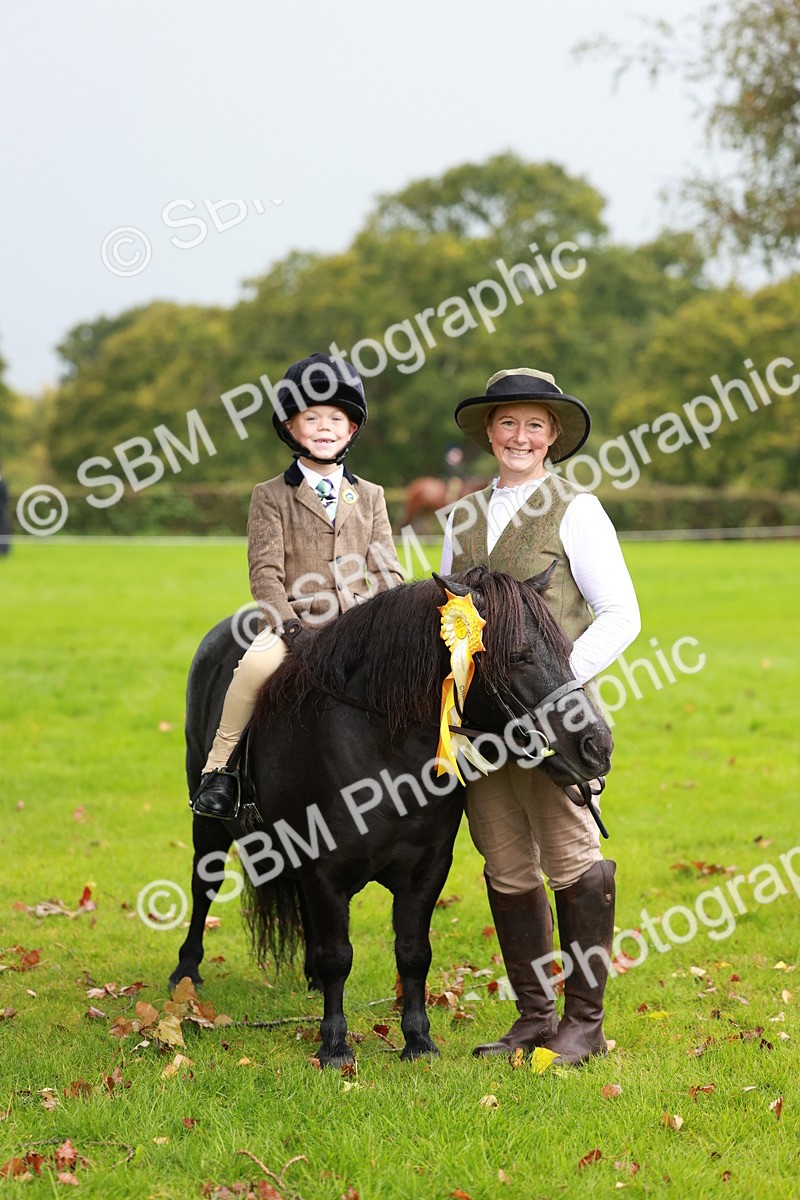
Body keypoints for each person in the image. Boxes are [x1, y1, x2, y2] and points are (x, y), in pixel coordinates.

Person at [440, 368, 641, 1065]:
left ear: (552, 436)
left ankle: (585, 1024)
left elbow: (622, 615)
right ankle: (533, 1017)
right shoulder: (461, 517)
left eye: (534, 424)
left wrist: (562, 686)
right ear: (489, 433)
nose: (519, 436)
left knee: (572, 861)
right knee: (505, 865)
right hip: (481, 728)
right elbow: (446, 622)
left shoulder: (576, 509)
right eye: (507, 423)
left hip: (555, 723)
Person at [191, 352, 404, 820]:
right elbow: (264, 574)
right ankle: (219, 772)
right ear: (291, 427)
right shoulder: (269, 495)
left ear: (352, 431)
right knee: (251, 668)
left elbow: (387, 566)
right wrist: (288, 628)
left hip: (360, 618)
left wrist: (393, 615)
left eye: (336, 419)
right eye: (312, 418)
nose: (324, 427)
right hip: (297, 620)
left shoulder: (371, 496)